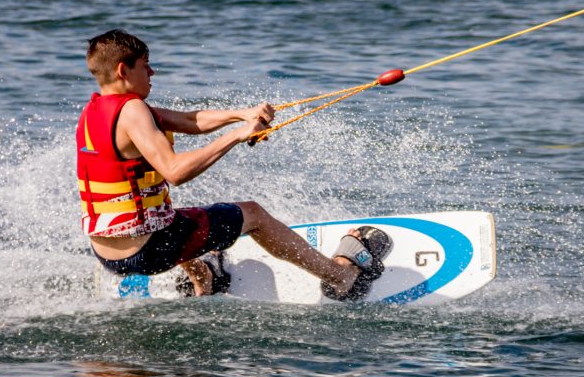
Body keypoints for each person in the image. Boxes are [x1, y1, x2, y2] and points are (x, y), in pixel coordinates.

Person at [77, 29, 391, 301]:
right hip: (151, 250)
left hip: (108, 256)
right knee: (252, 214)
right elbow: (175, 172)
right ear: (123, 70)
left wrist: (242, 113)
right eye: (146, 66)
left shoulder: (95, 111)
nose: (153, 73)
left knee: (174, 215)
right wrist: (237, 135)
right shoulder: (133, 111)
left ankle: (205, 279)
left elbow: (188, 120)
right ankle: (341, 277)